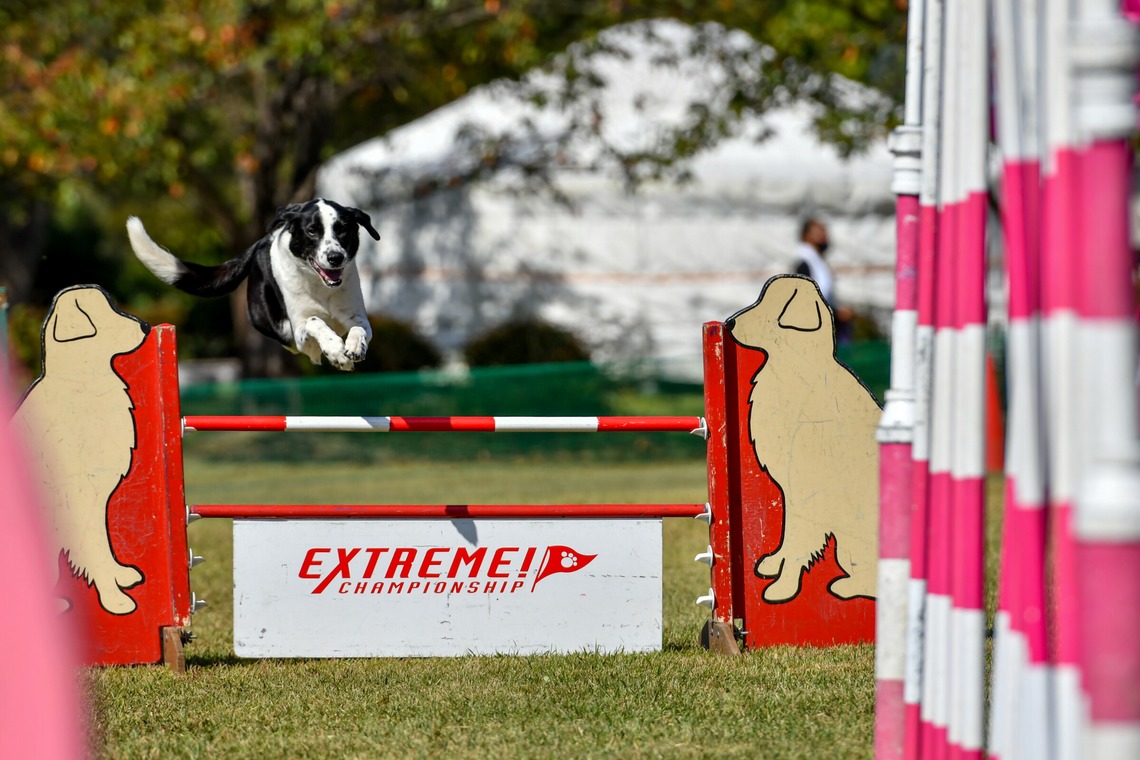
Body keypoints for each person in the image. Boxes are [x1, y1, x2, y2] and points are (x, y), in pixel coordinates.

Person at [792, 217, 855, 339]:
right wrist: (837, 314)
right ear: (806, 235)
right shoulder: (804, 263)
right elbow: (807, 301)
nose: (824, 235)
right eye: (819, 231)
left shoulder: (817, 261)